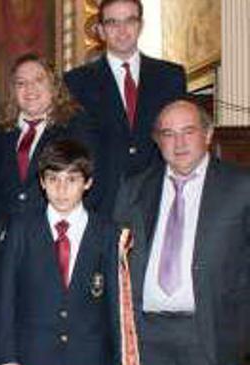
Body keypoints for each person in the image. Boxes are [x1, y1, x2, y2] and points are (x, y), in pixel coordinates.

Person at [113, 99, 249, 365]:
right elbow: (118, 260)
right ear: (157, 142)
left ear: (207, 135)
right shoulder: (136, 188)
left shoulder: (240, 187)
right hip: (147, 335)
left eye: (188, 131)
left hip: (208, 333)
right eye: (168, 134)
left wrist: (240, 330)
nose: (179, 142)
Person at [0, 139, 120, 365]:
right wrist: (7, 358)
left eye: (71, 179)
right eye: (53, 179)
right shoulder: (21, 228)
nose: (61, 188)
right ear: (41, 182)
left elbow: (115, 303)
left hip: (90, 360)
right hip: (35, 361)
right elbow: (6, 297)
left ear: (88, 182)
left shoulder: (107, 232)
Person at [65, 0, 185, 217]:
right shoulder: (76, 82)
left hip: (158, 200)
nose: (122, 30)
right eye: (112, 23)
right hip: (99, 205)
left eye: (130, 21)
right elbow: (75, 145)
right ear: (100, 31)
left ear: (141, 25)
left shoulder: (171, 77)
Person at [0, 53, 96, 254]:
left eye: (38, 80)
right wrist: (2, 233)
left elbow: (88, 183)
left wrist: (61, 233)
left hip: (58, 246)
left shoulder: (76, 129)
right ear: (13, 91)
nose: (30, 89)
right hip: (6, 248)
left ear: (53, 86)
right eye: (21, 83)